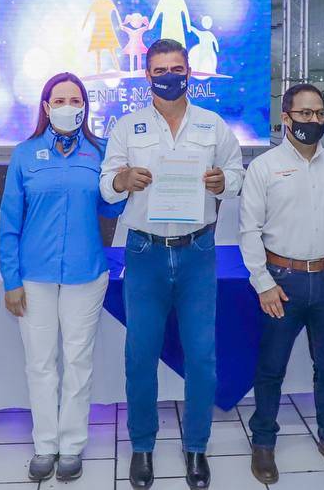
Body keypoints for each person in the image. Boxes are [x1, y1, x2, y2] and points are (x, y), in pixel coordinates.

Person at [100, 38, 244, 489]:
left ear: (189, 73)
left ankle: (196, 447)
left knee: (202, 356)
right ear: (147, 75)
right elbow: (106, 186)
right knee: (140, 355)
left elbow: (236, 176)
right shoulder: (128, 126)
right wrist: (123, 179)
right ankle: (142, 446)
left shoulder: (212, 124)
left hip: (198, 251)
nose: (168, 77)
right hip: (144, 253)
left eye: (176, 69)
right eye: (159, 70)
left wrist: (223, 182)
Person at [239, 83, 324, 484]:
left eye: (320, 113)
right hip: (282, 283)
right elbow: (249, 231)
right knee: (271, 368)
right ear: (286, 118)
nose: (314, 120)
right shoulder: (264, 167)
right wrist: (263, 283)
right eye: (305, 114)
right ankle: (263, 442)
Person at [0, 72, 125, 482]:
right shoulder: (25, 154)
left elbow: (109, 210)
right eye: (59, 100)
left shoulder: (100, 151)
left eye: (75, 100)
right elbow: (9, 223)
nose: (68, 106)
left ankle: (71, 445)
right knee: (40, 363)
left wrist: (122, 186)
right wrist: (11, 280)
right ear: (46, 106)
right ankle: (44, 444)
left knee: (77, 361)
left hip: (85, 273)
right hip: (33, 275)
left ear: (85, 107)